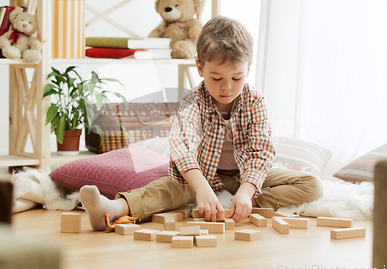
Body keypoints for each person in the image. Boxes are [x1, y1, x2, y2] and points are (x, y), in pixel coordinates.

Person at [80, 15, 323, 230]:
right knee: (166, 188)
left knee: (311, 185)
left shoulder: (255, 101)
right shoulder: (193, 101)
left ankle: (241, 203)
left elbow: (261, 152)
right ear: (199, 68)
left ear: (248, 69)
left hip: (244, 176)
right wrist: (201, 187)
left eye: (236, 77)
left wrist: (248, 192)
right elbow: (182, 144)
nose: (227, 87)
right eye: (216, 78)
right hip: (204, 174)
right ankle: (113, 209)